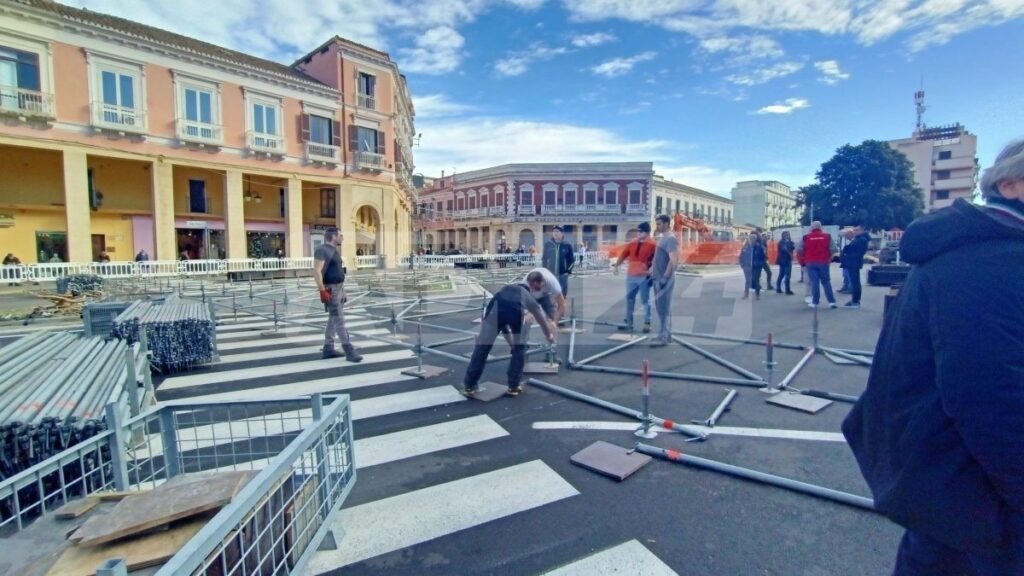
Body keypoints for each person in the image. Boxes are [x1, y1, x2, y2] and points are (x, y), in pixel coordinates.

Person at [842, 138, 1024, 575]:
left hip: (954, 490)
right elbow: (995, 398)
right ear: (1012, 183)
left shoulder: (975, 252)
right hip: (979, 501)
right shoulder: (990, 261)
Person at [463, 272, 558, 398]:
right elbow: (541, 320)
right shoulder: (527, 296)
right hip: (515, 311)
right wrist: (549, 336)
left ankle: (469, 385)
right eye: (541, 284)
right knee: (520, 348)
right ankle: (513, 386)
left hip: (494, 309)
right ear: (534, 283)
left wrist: (511, 343)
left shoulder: (506, 289)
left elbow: (502, 325)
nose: (542, 287)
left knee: (482, 347)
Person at [313, 227, 362, 362]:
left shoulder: (334, 250)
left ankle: (328, 348)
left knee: (333, 319)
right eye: (340, 235)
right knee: (339, 320)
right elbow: (317, 271)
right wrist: (322, 289)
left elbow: (338, 270)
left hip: (338, 288)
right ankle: (349, 351)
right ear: (334, 236)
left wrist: (343, 290)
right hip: (330, 289)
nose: (342, 238)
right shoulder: (322, 250)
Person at [612, 222, 656, 333]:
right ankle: (628, 322)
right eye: (638, 231)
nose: (638, 233)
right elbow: (624, 254)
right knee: (630, 299)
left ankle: (647, 322)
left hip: (644, 277)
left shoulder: (653, 244)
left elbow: (657, 258)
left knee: (645, 300)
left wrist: (653, 269)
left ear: (646, 232)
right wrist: (617, 265)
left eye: (640, 231)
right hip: (631, 276)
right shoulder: (632, 243)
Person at [649, 215, 679, 346]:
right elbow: (658, 259)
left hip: (664, 279)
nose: (657, 226)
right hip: (657, 278)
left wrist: (665, 278)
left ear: (667, 224)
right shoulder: (662, 238)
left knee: (664, 309)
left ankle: (664, 337)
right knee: (661, 309)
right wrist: (650, 271)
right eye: (657, 223)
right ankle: (666, 335)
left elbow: (673, 261)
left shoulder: (670, 239)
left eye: (660, 223)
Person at [797, 221, 838, 309]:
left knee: (814, 282)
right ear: (821, 227)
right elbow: (834, 249)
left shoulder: (805, 237)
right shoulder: (827, 236)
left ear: (812, 227)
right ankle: (832, 302)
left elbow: (799, 249)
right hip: (823, 261)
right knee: (826, 281)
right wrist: (828, 255)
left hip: (810, 262)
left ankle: (815, 301)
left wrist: (806, 254)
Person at [839, 225, 870, 309]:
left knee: (855, 283)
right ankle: (854, 300)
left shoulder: (861, 240)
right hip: (853, 262)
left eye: (856, 230)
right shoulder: (859, 239)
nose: (854, 232)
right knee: (854, 282)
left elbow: (851, 249)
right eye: (854, 230)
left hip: (853, 263)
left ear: (861, 231)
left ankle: (855, 301)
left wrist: (846, 251)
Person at [542, 226, 575, 296]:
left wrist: (568, 271)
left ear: (562, 233)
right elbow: (544, 259)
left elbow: (571, 260)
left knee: (562, 293)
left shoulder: (567, 245)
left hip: (562, 274)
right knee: (550, 293)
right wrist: (545, 271)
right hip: (550, 274)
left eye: (557, 231)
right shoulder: (548, 244)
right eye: (554, 231)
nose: (555, 233)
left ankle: (562, 306)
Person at [739, 234, 766, 300]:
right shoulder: (745, 247)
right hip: (747, 267)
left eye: (753, 238)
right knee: (748, 280)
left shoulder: (759, 247)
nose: (751, 240)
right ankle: (746, 294)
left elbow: (763, 257)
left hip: (756, 267)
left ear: (755, 239)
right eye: (750, 238)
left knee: (756, 280)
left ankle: (757, 294)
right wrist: (742, 265)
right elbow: (741, 257)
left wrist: (760, 264)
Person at [775, 231, 795, 295]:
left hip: (783, 260)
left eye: (788, 235)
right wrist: (790, 255)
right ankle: (787, 290)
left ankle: (778, 288)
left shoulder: (787, 242)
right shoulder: (782, 242)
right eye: (786, 235)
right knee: (787, 275)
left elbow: (792, 247)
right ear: (783, 236)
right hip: (785, 260)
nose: (787, 236)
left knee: (782, 275)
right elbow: (785, 250)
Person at [837, 228, 855, 293]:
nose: (845, 236)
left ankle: (850, 288)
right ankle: (845, 286)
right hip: (844, 260)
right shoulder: (845, 241)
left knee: (849, 275)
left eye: (846, 235)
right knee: (845, 274)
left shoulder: (853, 242)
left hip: (849, 260)